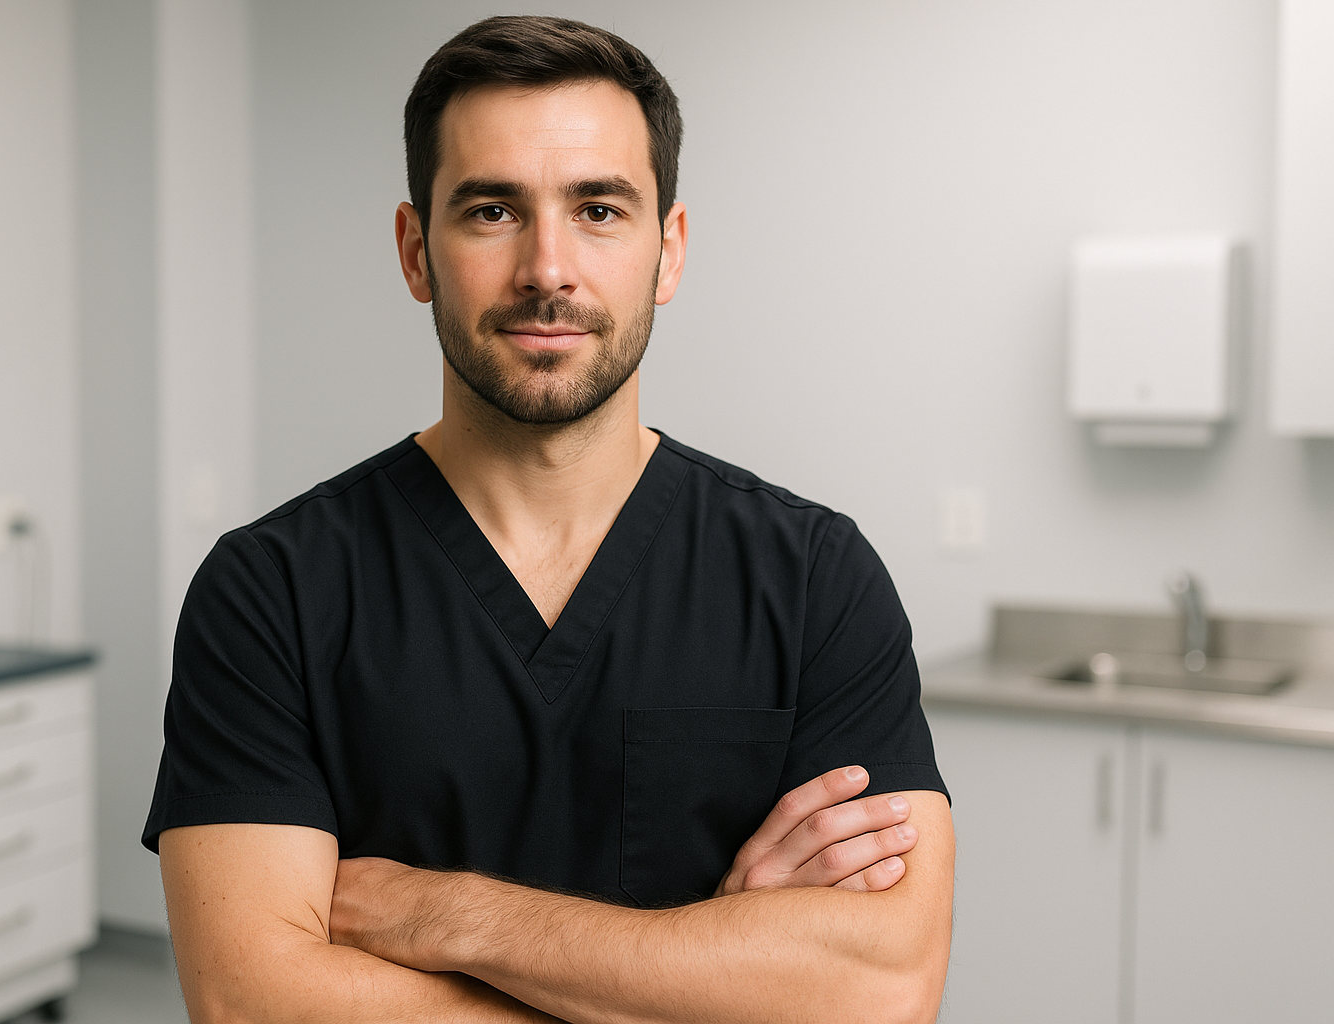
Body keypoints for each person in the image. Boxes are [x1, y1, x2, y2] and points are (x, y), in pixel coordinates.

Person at [144, 15, 954, 1024]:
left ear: (668, 251)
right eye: (492, 211)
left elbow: (884, 990)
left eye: (599, 210)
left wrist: (453, 915)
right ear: (415, 252)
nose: (547, 268)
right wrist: (712, 977)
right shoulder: (272, 592)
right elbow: (251, 1001)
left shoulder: (814, 580)